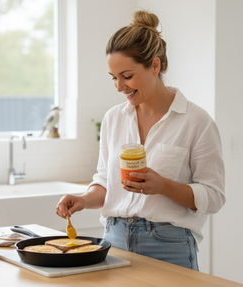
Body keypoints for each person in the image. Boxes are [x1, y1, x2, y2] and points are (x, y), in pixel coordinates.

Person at [55, 10, 225, 271]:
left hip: (169, 245)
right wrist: (84, 200)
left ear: (155, 66)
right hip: (114, 240)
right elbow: (105, 181)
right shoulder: (114, 118)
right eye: (113, 78)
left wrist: (163, 185)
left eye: (127, 76)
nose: (119, 87)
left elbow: (214, 197)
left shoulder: (196, 121)